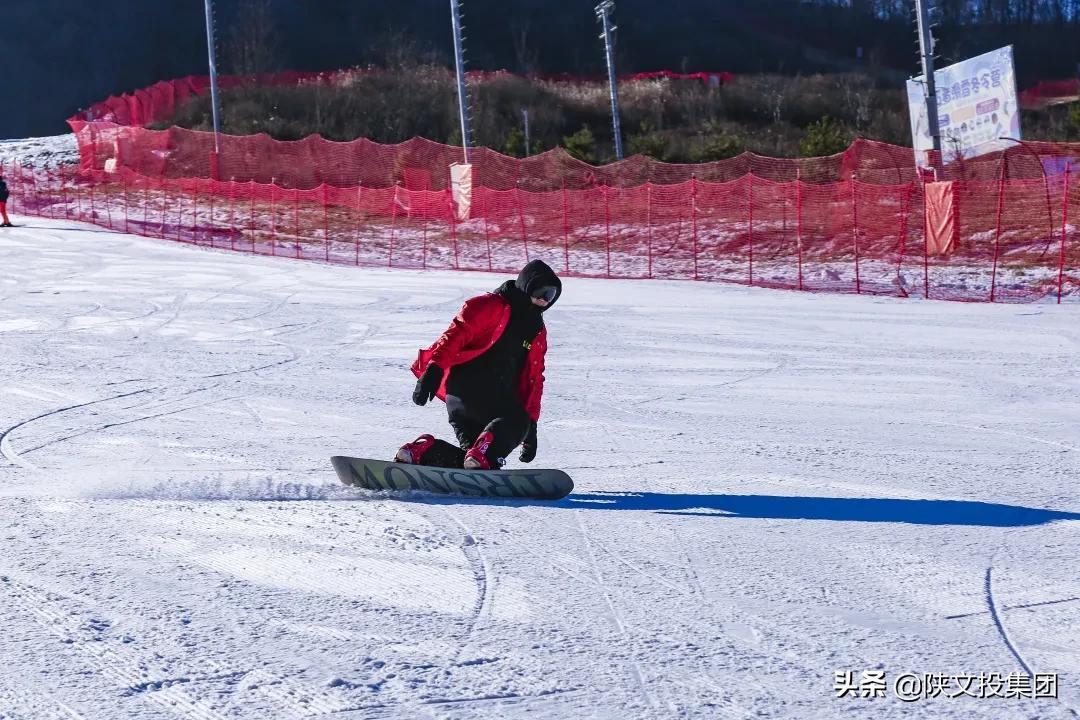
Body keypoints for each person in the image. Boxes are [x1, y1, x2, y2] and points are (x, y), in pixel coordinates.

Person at [396, 259, 562, 470]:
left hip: (467, 403)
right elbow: (456, 335)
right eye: (541, 292)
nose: (543, 300)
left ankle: (424, 452)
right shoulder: (491, 305)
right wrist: (434, 369)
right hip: (472, 389)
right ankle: (484, 451)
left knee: (474, 461)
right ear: (526, 285)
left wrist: (533, 427)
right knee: (516, 422)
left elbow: (535, 378)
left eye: (550, 296)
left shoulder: (537, 330)